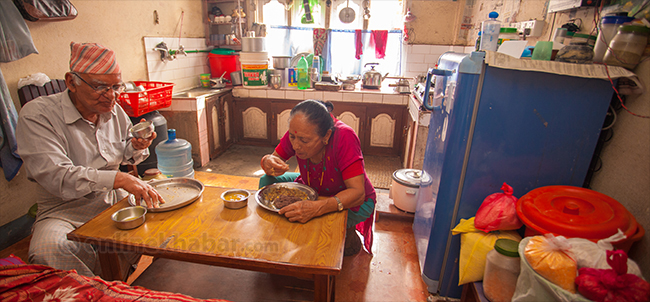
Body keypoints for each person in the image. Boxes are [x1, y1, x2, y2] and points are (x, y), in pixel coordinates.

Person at [16, 42, 164, 277]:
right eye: (100, 86)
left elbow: (124, 152)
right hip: (64, 209)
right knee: (49, 249)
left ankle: (116, 282)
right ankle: (98, 289)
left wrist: (136, 147)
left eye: (117, 86)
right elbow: (57, 175)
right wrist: (119, 178)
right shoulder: (38, 115)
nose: (111, 96)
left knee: (169, 219)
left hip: (115, 199)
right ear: (71, 82)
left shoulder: (113, 110)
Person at [259, 100, 376, 256]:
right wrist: (268, 161)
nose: (295, 146)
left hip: (352, 199)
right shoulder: (298, 131)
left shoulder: (345, 137)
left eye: (304, 141)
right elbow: (274, 159)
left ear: (326, 135)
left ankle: (346, 237)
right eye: (292, 137)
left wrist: (318, 208)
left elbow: (357, 193)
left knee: (315, 225)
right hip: (312, 186)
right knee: (267, 181)